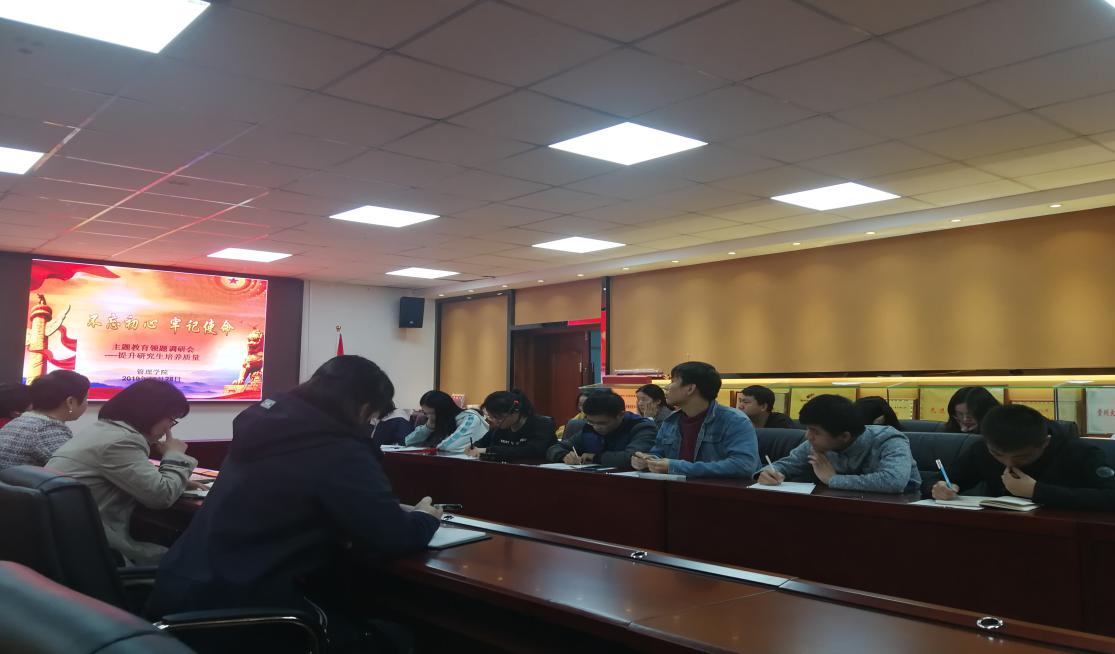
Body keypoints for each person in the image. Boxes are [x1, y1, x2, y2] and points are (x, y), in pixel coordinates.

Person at [147, 356, 443, 650]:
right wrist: (425, 517)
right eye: (373, 418)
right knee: (396, 638)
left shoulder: (261, 428)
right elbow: (393, 535)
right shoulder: (338, 449)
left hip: (180, 593)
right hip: (248, 613)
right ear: (365, 409)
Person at [46, 379, 198, 565]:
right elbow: (161, 496)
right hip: (94, 549)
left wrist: (175, 479)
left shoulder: (103, 430)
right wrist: (175, 455)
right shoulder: (122, 441)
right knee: (189, 558)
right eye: (171, 420)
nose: (169, 429)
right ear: (152, 414)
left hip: (64, 540)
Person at [931, 404, 1115, 510]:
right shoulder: (982, 449)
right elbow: (939, 480)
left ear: (1045, 442)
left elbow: (1110, 496)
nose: (1009, 463)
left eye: (1022, 457)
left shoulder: (1081, 452)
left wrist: (1037, 491)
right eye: (998, 455)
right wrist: (938, 488)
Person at [757, 394, 920, 493]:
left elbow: (893, 481)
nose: (808, 436)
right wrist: (768, 473)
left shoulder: (888, 440)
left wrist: (833, 479)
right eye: (807, 429)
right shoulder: (816, 443)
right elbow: (787, 464)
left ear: (844, 436)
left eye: (815, 431)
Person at [631, 362, 758, 478]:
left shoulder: (734, 420)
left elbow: (744, 465)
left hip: (718, 491)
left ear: (690, 389)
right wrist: (647, 460)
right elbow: (659, 453)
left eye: (673, 381)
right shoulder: (671, 421)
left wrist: (677, 467)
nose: (667, 387)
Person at [0, 370, 89, 469]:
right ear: (70, 402)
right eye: (86, 399)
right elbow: (77, 470)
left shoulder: (18, 422)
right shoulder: (48, 432)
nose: (86, 403)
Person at [546, 390, 657, 469]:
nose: (596, 427)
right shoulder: (589, 427)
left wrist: (594, 457)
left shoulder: (642, 427)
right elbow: (554, 448)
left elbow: (633, 457)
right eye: (591, 422)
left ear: (620, 415)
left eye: (602, 423)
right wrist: (564, 456)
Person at [466, 390, 555, 461]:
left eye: (498, 417)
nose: (495, 421)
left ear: (515, 412)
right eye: (491, 417)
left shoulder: (542, 424)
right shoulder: (499, 427)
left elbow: (531, 451)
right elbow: (480, 444)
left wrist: (488, 450)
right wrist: (472, 448)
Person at [405, 390, 487, 452]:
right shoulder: (433, 420)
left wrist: (433, 449)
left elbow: (449, 446)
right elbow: (408, 442)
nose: (429, 417)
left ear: (444, 410)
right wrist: (428, 427)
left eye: (432, 413)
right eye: (425, 413)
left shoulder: (470, 418)